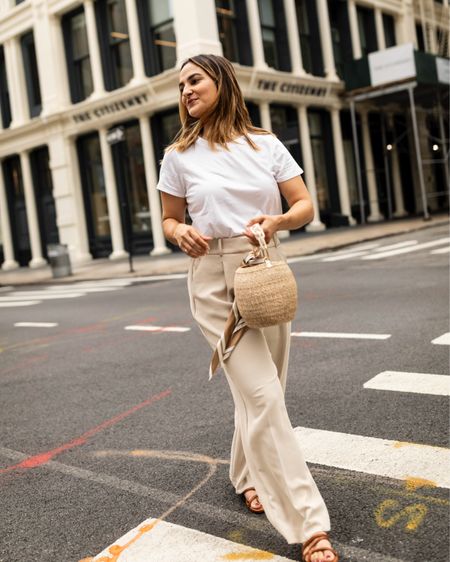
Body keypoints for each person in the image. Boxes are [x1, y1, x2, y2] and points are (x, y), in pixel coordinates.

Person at [157, 53, 338, 562]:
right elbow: (169, 220)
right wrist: (181, 232)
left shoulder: (265, 144)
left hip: (263, 267)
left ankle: (245, 474)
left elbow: (303, 205)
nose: (186, 90)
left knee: (264, 389)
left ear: (221, 81)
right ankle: (308, 525)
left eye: (194, 80)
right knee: (262, 395)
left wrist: (274, 223)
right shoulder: (178, 155)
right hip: (213, 278)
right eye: (181, 85)